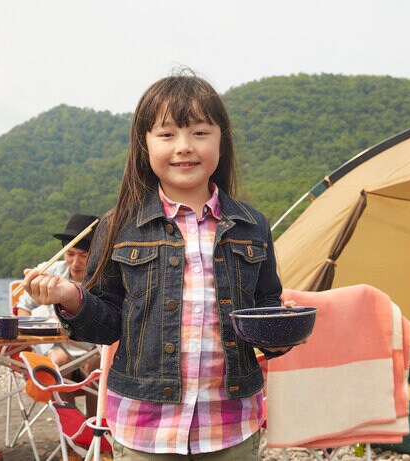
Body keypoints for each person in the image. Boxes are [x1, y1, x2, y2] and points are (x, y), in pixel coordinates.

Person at [21, 72, 288, 460]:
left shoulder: (253, 224)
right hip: (145, 426)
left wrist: (281, 327)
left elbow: (266, 309)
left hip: (232, 423)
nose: (184, 147)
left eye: (200, 133)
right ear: (143, 144)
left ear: (221, 140)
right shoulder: (117, 226)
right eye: (166, 135)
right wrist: (71, 298)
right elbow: (108, 323)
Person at [15, 213, 101, 415]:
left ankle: (96, 431)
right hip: (52, 346)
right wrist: (33, 330)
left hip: (91, 348)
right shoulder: (50, 272)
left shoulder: (102, 278)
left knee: (92, 367)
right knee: (59, 362)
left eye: (83, 255)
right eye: (70, 254)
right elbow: (23, 306)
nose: (75, 262)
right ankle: (71, 430)